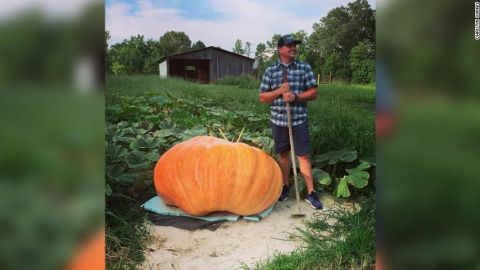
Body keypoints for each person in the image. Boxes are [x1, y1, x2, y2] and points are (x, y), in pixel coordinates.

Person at [258, 34, 322, 209]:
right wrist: (279, 91)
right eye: (289, 46)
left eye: (294, 46)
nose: (293, 48)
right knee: (284, 155)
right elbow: (262, 97)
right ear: (280, 49)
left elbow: (314, 93)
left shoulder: (304, 68)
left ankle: (311, 193)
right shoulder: (271, 71)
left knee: (303, 156)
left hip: (298, 120)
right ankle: (285, 186)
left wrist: (295, 96)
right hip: (278, 120)